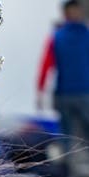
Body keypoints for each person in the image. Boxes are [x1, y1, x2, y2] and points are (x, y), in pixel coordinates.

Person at [36, 0, 89, 157]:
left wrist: (40, 90)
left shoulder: (59, 36)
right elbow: (46, 64)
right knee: (66, 135)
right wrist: (40, 90)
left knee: (67, 135)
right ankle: (68, 172)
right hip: (69, 92)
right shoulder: (60, 37)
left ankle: (70, 170)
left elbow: (46, 64)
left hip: (77, 92)